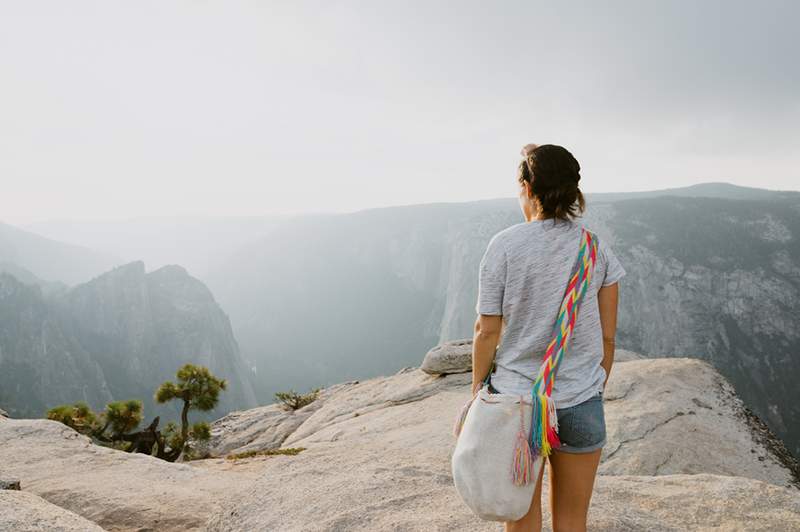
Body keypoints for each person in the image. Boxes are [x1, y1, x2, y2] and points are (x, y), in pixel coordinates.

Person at [471, 143, 626, 532]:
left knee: (520, 516)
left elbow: (486, 330)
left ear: (526, 186)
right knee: (573, 520)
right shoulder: (595, 249)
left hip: (517, 404)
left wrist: (477, 388)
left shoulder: (504, 245)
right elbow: (608, 338)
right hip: (580, 401)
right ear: (574, 191)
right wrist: (591, 383)